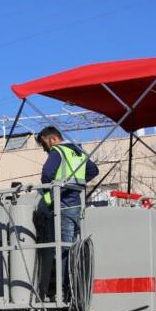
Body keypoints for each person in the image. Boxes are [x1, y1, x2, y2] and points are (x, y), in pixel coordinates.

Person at [34, 126, 98, 298]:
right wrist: (75, 184)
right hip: (76, 206)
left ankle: (62, 292)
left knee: (62, 250)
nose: (45, 149)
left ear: (51, 139)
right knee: (73, 249)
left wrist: (54, 191)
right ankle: (73, 288)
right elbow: (93, 170)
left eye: (44, 144)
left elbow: (47, 175)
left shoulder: (58, 151)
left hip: (62, 206)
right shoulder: (77, 151)